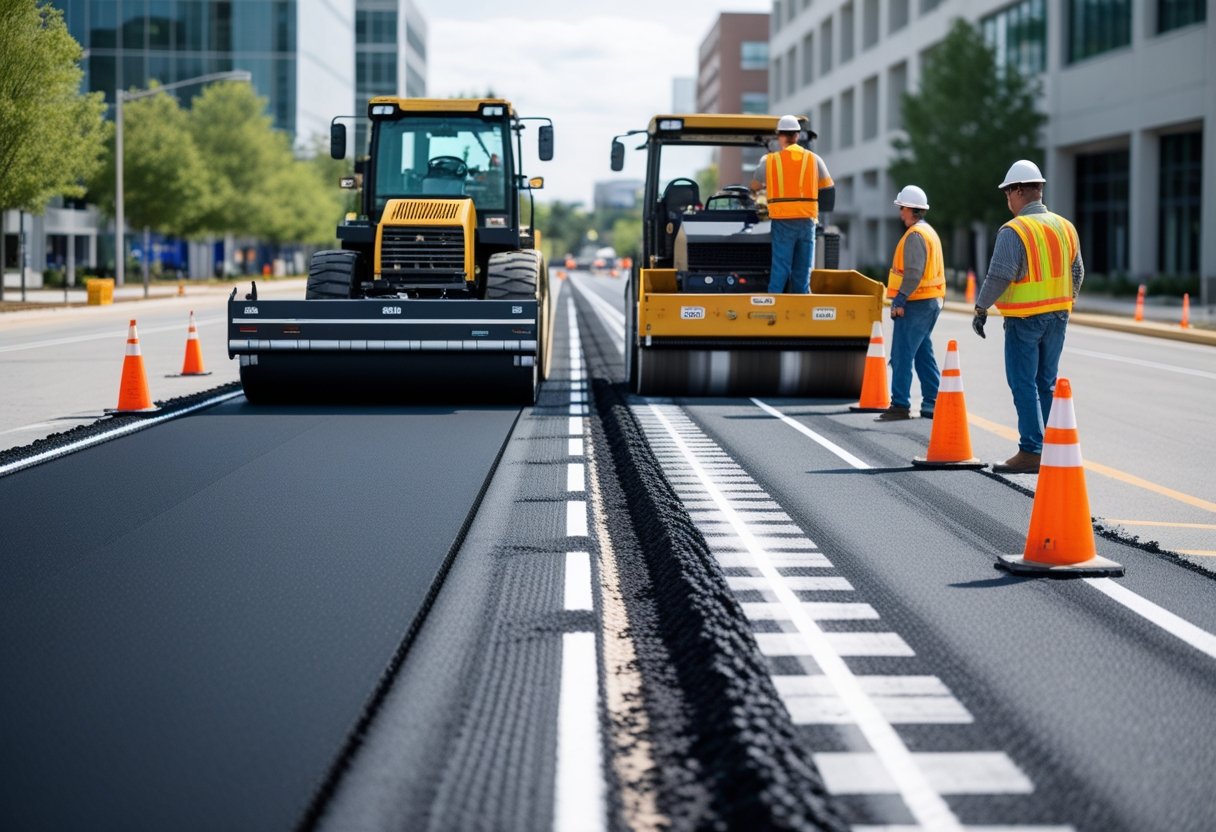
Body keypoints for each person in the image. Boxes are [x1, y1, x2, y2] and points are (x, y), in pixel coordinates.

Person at [972, 159, 1084, 474]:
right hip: (1057, 317)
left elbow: (999, 275)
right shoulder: (1065, 226)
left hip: (1025, 320)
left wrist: (981, 308)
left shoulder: (1015, 230)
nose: (1007, 200)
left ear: (1019, 191)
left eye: (1008, 193)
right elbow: (1078, 272)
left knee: (1023, 382)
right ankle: (1053, 446)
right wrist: (1065, 304)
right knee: (1045, 382)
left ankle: (1032, 451)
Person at [876, 185, 944, 421]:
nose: (900, 213)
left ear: (909, 209)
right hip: (929, 301)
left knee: (902, 353)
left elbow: (914, 273)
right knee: (923, 353)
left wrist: (900, 299)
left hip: (916, 302)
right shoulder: (928, 232)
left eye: (901, 208)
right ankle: (932, 402)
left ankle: (900, 405)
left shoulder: (915, 236)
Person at [750, 115, 835, 293]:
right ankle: (801, 308)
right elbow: (827, 187)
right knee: (803, 270)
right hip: (807, 221)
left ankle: (772, 305)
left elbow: (755, 187)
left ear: (780, 136)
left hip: (783, 221)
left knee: (781, 268)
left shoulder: (770, 161)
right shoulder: (814, 159)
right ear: (797, 136)